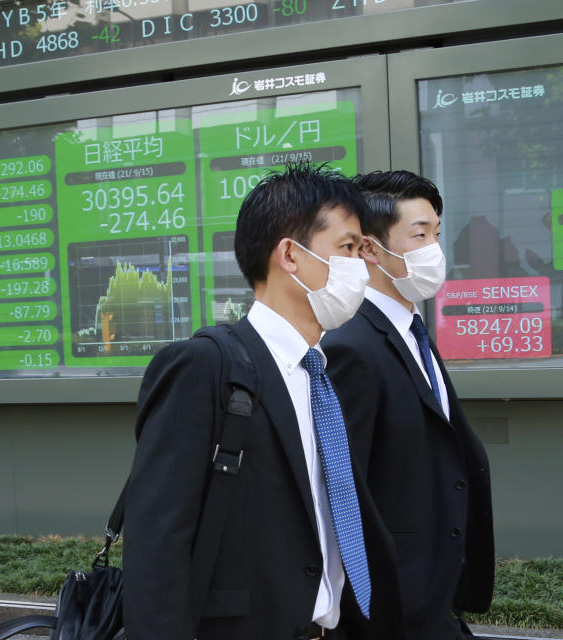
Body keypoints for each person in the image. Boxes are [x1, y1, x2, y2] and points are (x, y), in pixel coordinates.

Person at [123, 165, 406, 640]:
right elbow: (157, 545)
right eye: (348, 248)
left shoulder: (322, 372)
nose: (362, 265)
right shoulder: (203, 367)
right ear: (290, 256)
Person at [321, 170, 494, 639]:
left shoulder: (413, 332)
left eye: (437, 233)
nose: (434, 249)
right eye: (419, 235)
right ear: (371, 250)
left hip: (435, 597)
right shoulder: (350, 346)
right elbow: (343, 493)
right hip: (394, 606)